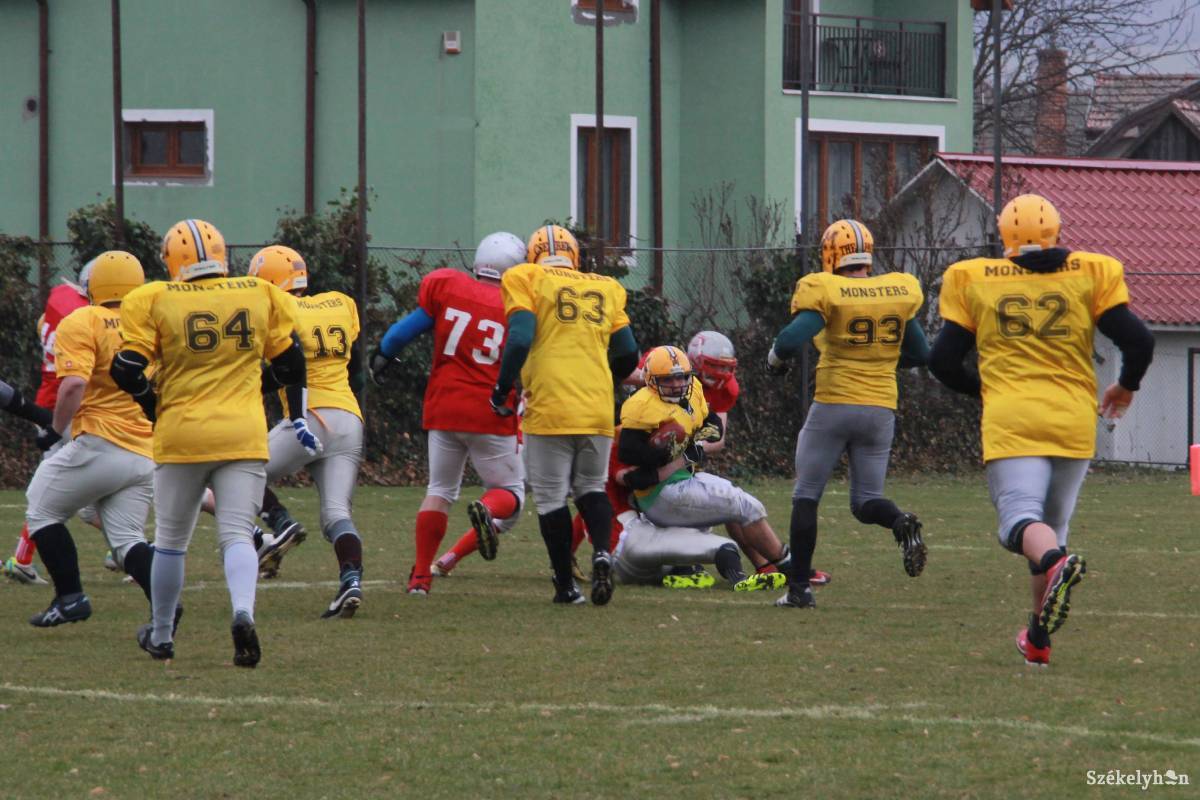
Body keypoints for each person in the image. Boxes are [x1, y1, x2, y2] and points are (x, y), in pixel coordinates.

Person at [929, 194, 1154, 665]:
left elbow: (943, 362)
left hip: (1013, 417)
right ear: (1057, 231)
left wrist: (985, 390)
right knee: (1050, 528)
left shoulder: (974, 278)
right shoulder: (1089, 272)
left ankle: (1056, 565)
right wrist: (1125, 386)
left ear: (1003, 237)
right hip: (1073, 417)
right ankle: (1037, 639)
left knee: (1019, 523)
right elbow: (1138, 340)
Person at [114, 218, 307, 667]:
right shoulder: (259, 293)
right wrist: (253, 386)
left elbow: (126, 368)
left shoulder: (155, 298)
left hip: (181, 431)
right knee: (237, 534)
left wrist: (151, 404)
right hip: (242, 431)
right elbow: (291, 365)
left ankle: (162, 634)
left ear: (172, 260)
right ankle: (242, 613)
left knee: (170, 541)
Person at [767, 219, 929, 609]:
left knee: (806, 496)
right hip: (880, 408)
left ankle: (799, 590)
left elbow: (790, 339)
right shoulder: (895, 290)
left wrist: (774, 359)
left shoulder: (827, 288)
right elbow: (921, 353)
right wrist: (880, 362)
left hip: (835, 403)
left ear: (829, 253)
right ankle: (899, 522)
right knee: (866, 500)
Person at [370, 233, 528, 595]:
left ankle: (420, 578)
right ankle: (486, 509)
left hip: (444, 406)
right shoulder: (516, 305)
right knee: (509, 493)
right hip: (490, 409)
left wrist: (382, 358)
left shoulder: (449, 287)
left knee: (439, 490)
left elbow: (398, 336)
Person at [491, 224, 638, 604]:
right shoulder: (606, 286)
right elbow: (627, 354)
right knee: (591, 488)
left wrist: (502, 386)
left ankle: (565, 586)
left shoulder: (525, 277)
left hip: (550, 404)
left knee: (551, 498)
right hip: (597, 407)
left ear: (533, 254)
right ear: (575, 255)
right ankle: (601, 553)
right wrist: (601, 376)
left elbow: (520, 337)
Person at [22, 251, 164, 627]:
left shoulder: (83, 319)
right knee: (128, 540)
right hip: (144, 450)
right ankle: (165, 608)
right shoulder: (151, 323)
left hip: (102, 442)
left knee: (41, 509)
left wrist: (55, 429)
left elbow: (73, 385)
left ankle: (70, 598)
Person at [243, 245, 366, 618]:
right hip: (348, 418)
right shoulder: (340, 303)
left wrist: (244, 388)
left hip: (308, 418)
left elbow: (286, 369)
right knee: (335, 514)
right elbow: (356, 368)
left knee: (239, 471)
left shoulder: (279, 309)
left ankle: (279, 523)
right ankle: (351, 579)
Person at [617, 345, 791, 591]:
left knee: (741, 505)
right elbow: (628, 452)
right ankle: (789, 567)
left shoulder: (694, 389)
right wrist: (667, 452)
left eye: (681, 377)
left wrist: (693, 444)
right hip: (661, 493)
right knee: (745, 505)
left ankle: (761, 567)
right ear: (651, 380)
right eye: (667, 379)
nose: (677, 384)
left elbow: (713, 425)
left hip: (682, 480)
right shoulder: (641, 405)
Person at [3, 266, 91, 585]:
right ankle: (22, 559)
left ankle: (23, 559)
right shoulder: (83, 316)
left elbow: (44, 322)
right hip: (65, 408)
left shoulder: (60, 299)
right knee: (54, 490)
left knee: (79, 487)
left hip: (50, 403)